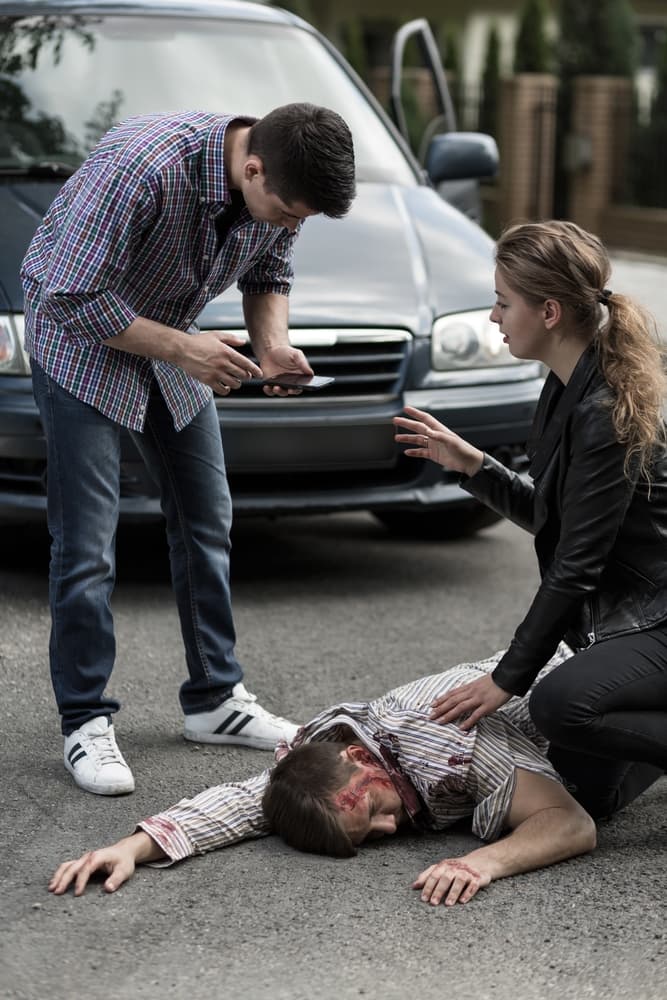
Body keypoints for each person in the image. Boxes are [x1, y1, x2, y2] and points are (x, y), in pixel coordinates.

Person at [20, 103, 356, 796]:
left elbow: (269, 271)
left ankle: (214, 701)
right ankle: (84, 720)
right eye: (290, 209)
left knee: (206, 518)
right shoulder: (141, 168)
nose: (294, 225)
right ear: (252, 168)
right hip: (81, 343)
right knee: (87, 544)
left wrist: (271, 347)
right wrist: (185, 349)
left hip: (170, 336)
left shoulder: (273, 186)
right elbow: (66, 297)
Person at [393, 219, 667, 820]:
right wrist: (475, 466)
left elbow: (576, 564)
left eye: (501, 302)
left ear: (548, 312)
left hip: (660, 620)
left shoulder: (603, 410)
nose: (494, 317)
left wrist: (509, 678)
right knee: (586, 795)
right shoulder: (566, 383)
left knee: (560, 705)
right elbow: (559, 521)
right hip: (634, 619)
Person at [48, 647, 597, 907]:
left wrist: (479, 864)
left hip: (600, 692)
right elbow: (234, 805)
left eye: (373, 813)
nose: (387, 830)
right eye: (372, 832)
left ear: (361, 765)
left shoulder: (447, 740)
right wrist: (128, 848)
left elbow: (571, 825)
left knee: (600, 794)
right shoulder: (322, 762)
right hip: (565, 732)